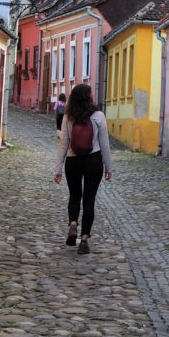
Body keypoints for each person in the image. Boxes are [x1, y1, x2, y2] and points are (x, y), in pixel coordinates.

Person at [53, 84, 112, 254]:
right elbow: (105, 145)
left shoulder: (68, 117)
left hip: (73, 162)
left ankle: (73, 224)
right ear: (89, 98)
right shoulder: (99, 116)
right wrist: (109, 167)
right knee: (89, 199)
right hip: (93, 161)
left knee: (74, 195)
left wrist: (57, 169)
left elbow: (63, 145)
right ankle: (84, 240)